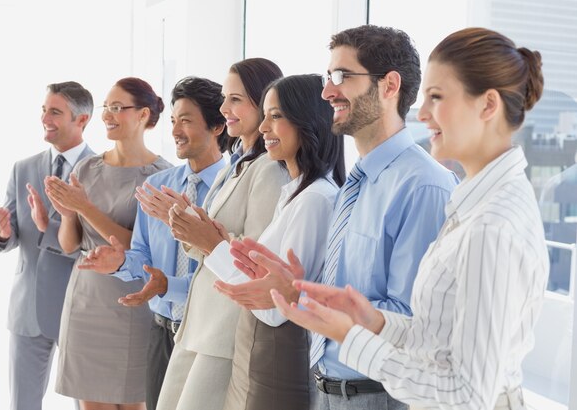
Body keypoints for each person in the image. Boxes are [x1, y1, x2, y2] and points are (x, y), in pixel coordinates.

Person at [272, 27, 549, 410]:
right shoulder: (473, 205)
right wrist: (371, 320)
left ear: (487, 106)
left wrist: (351, 336)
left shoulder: (489, 223)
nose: (422, 113)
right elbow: (437, 336)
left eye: (437, 98)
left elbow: (466, 394)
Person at [221, 25, 458, 410]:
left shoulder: (422, 186)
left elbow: (413, 324)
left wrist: (304, 295)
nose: (327, 91)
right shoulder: (356, 184)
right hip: (328, 389)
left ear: (389, 86)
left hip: (377, 396)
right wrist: (299, 286)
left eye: (342, 76)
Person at [77, 76, 229, 410]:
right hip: (161, 333)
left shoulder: (231, 189)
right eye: (174, 120)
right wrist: (120, 263)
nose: (175, 130)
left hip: (208, 337)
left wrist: (166, 285)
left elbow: (222, 275)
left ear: (217, 126)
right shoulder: (157, 186)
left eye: (186, 121)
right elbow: (141, 255)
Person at [153, 58, 287, 410]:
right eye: (225, 99)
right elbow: (207, 249)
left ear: (265, 103)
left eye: (236, 100)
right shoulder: (238, 164)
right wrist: (183, 224)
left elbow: (255, 265)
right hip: (197, 327)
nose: (224, 108)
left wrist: (206, 237)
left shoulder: (269, 171)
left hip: (223, 335)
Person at [203, 74, 344, 410]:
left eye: (276, 116)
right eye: (265, 115)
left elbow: (277, 309)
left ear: (309, 121)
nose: (263, 127)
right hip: (260, 354)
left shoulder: (315, 200)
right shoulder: (294, 194)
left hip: (280, 362)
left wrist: (214, 248)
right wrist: (226, 248)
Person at [45, 77, 172, 410]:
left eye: (118, 108)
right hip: (87, 301)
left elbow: (144, 248)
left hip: (133, 302)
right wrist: (69, 215)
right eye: (107, 107)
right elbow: (71, 244)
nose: (108, 115)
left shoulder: (162, 177)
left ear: (144, 114)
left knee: (134, 402)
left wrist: (84, 207)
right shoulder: (87, 168)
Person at [0, 81, 94, 410]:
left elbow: (94, 240)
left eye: (55, 112)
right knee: (22, 404)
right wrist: (2, 232)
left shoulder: (99, 170)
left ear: (82, 120)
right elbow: (9, 234)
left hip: (80, 307)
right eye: (44, 110)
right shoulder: (23, 167)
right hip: (27, 308)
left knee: (86, 403)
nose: (45, 118)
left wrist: (51, 226)